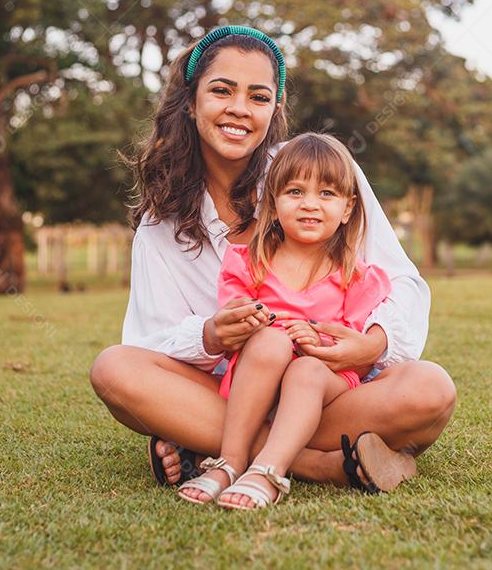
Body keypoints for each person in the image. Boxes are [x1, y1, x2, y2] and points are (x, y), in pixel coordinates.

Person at [88, 25, 456, 493]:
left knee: (430, 389)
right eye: (222, 90)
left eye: (258, 97)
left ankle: (206, 443)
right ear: (191, 100)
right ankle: (317, 465)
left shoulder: (319, 173)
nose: (239, 109)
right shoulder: (161, 227)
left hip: (325, 390)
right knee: (115, 370)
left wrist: (371, 345)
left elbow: (402, 281)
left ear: (275, 108)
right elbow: (149, 342)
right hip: (230, 392)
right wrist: (211, 335)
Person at [178, 133, 415, 508]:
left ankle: (268, 470)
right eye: (295, 192)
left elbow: (358, 356)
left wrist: (318, 342)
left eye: (326, 193)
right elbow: (233, 322)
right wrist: (250, 322)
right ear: (273, 204)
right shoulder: (246, 263)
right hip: (257, 383)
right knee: (271, 341)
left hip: (323, 385)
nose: (310, 204)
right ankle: (230, 461)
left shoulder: (358, 278)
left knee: (306, 370)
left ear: (348, 208)